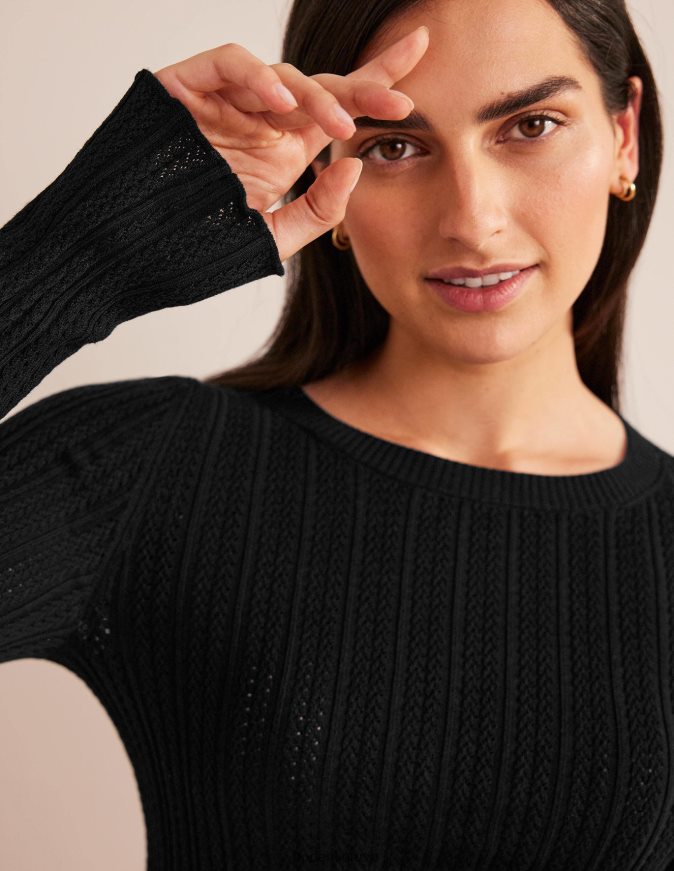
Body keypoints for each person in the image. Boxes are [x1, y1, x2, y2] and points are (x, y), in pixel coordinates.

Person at [1, 2, 672, 869]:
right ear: (326, 173)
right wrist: (90, 251)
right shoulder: (159, 471)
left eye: (531, 126)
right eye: (393, 146)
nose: (473, 220)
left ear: (624, 137)